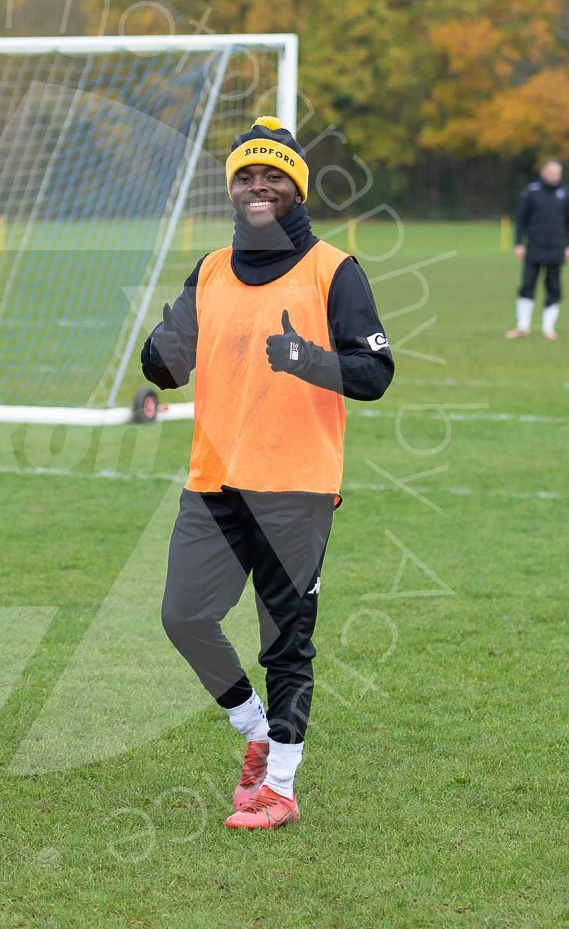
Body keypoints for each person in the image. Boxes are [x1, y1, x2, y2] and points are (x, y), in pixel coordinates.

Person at [140, 117, 394, 829]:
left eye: (273, 176)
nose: (259, 186)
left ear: (296, 188)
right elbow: (165, 367)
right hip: (213, 483)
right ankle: (253, 726)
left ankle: (279, 786)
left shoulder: (333, 270)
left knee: (285, 641)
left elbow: (375, 372)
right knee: (184, 617)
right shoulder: (211, 269)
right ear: (232, 189)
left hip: (297, 487)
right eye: (246, 176)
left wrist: (309, 360)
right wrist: (160, 351)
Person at [507, 158, 569, 340]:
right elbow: (520, 219)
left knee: (553, 287)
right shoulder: (531, 192)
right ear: (543, 172)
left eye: (558, 173)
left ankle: (549, 327)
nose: (555, 176)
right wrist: (519, 243)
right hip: (534, 247)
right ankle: (522, 326)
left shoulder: (566, 194)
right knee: (527, 285)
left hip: (556, 248)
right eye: (551, 172)